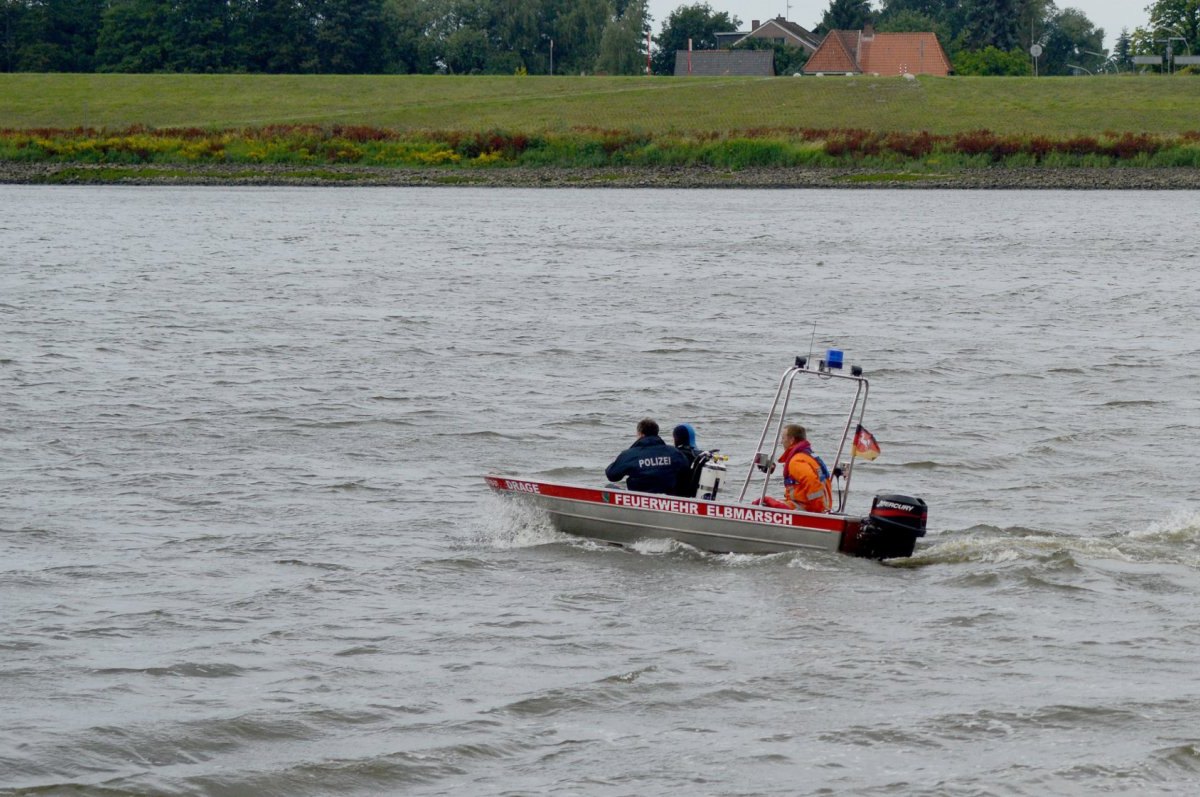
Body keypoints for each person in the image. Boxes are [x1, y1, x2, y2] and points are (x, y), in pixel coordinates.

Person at [605, 418, 690, 494]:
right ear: (656, 433)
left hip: (638, 499)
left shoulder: (630, 454)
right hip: (667, 499)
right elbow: (686, 469)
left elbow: (612, 475)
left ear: (641, 434)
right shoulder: (674, 452)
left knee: (609, 487)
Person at [760, 423, 832, 512]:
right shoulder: (809, 456)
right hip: (818, 506)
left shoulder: (796, 461)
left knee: (763, 502)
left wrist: (818, 510)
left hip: (808, 508)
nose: (781, 442)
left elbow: (811, 481)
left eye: (783, 438)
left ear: (791, 440)